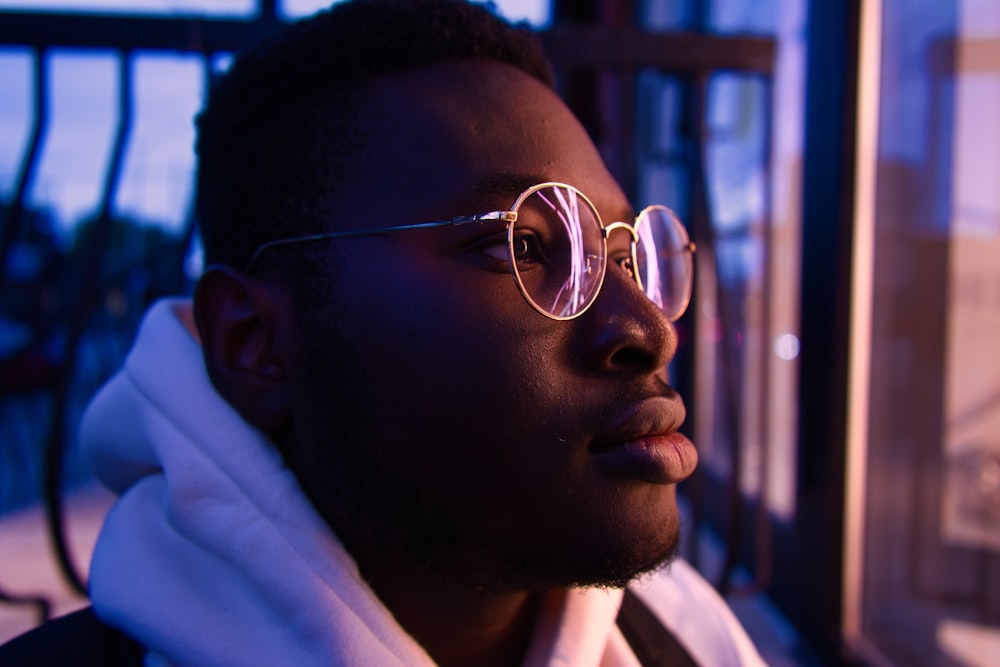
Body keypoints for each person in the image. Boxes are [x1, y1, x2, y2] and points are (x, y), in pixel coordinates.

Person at [0, 0, 765, 665]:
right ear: (252, 343)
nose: (647, 329)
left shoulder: (686, 632)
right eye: (525, 247)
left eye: (630, 254)